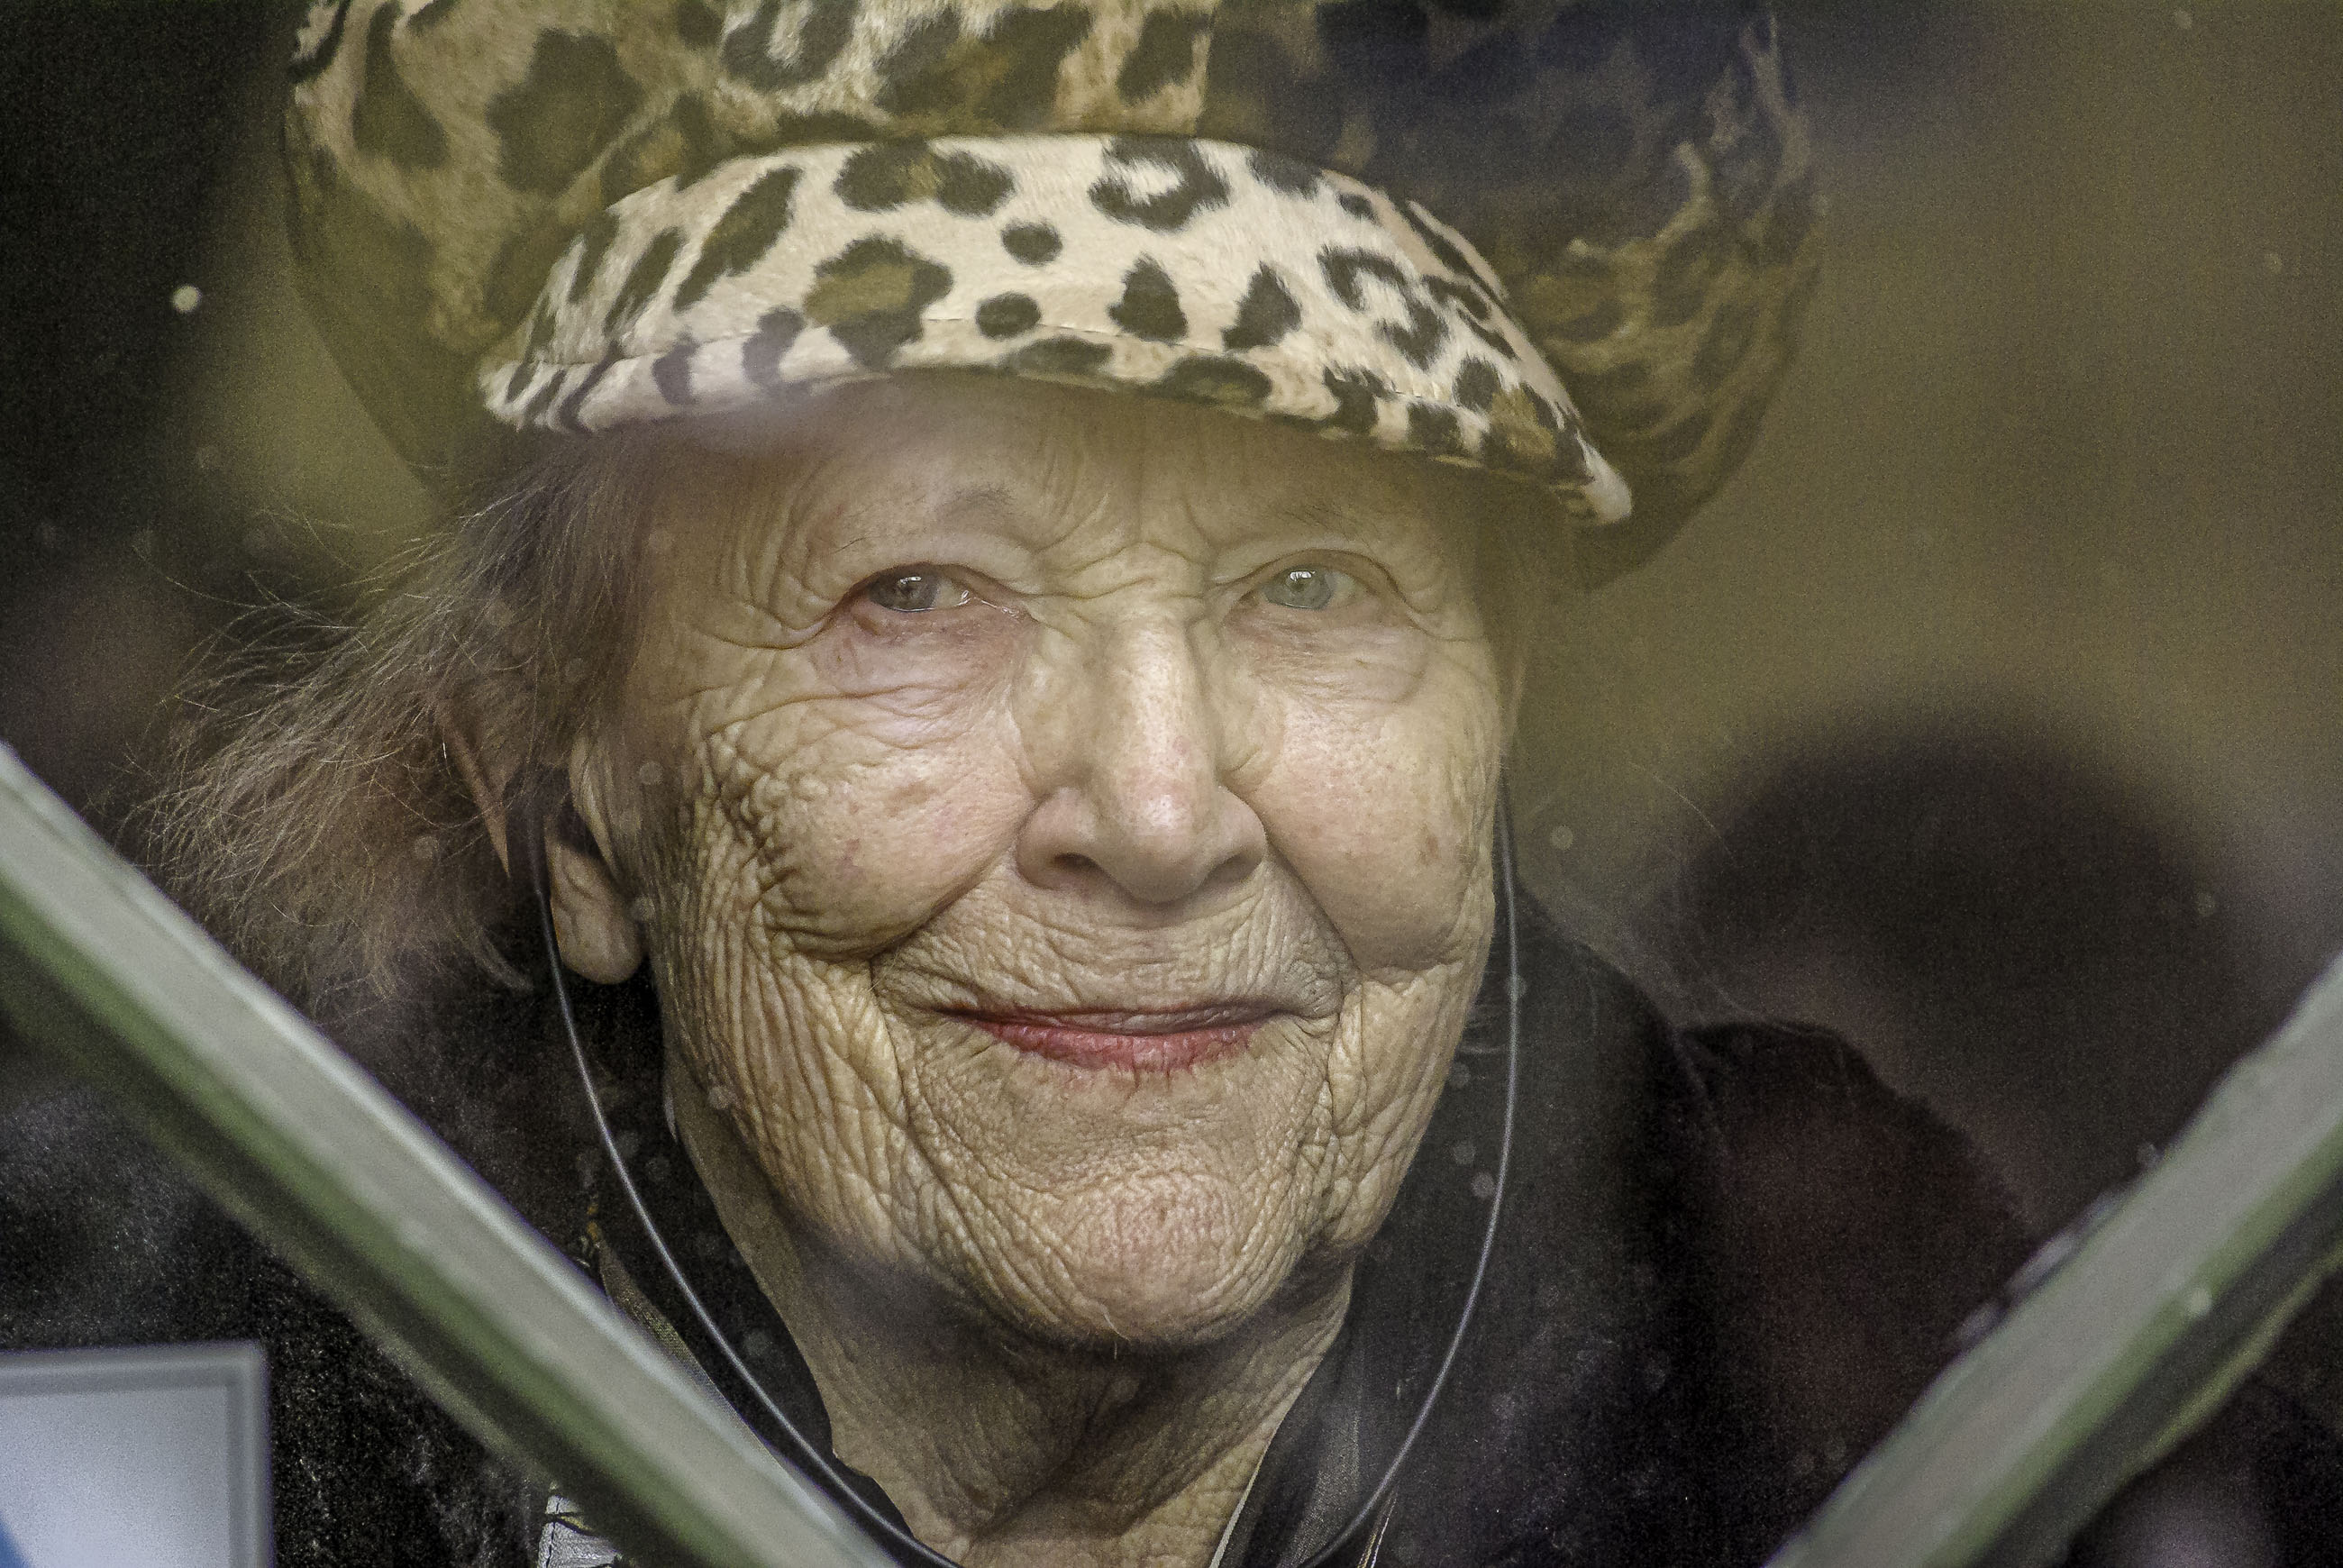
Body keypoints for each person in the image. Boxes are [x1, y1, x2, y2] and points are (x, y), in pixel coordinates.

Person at [4, 4, 2337, 1565]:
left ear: (1492, 724)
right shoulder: (132, 1401)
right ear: (571, 786)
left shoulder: (1885, 1391)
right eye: (920, 595)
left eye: (1314, 588)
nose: (1152, 804)